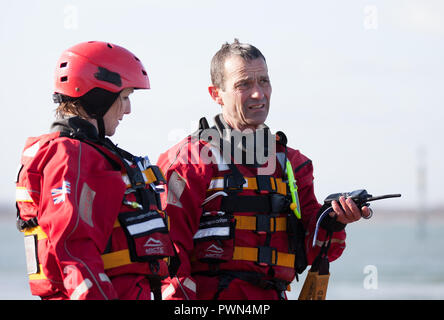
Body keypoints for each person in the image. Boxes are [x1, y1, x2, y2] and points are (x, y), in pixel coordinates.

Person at [157, 39, 371, 300]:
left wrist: (335, 220)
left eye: (264, 81)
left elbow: (312, 248)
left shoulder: (292, 163)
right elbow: (166, 252)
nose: (258, 94)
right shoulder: (189, 162)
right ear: (216, 94)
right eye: (243, 85)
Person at [15, 41, 178, 300]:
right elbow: (73, 250)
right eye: (124, 98)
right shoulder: (70, 157)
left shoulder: (90, 153)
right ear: (98, 97)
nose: (128, 109)